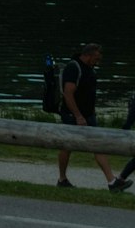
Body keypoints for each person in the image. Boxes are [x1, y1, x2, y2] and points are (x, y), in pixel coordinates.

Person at [56, 42, 131, 191]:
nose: (98, 61)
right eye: (96, 58)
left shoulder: (90, 68)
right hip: (73, 115)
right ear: (88, 55)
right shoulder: (73, 67)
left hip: (89, 115)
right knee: (66, 146)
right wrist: (78, 116)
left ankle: (112, 182)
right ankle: (62, 179)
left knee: (98, 145)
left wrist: (90, 112)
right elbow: (68, 93)